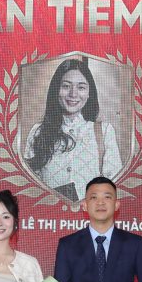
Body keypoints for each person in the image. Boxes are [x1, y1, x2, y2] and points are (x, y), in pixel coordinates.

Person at [19, 58, 124, 202]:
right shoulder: (38, 132)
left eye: (81, 87)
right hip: (50, 213)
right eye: (66, 86)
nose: (73, 94)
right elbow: (30, 187)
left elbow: (113, 186)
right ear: (56, 89)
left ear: (89, 93)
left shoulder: (104, 132)